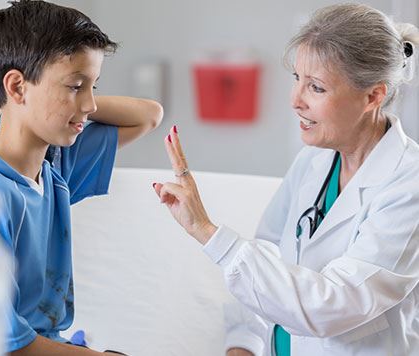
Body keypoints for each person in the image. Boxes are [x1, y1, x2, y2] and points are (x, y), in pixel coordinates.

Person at [153, 3, 419, 355]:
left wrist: (205, 230)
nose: (295, 101)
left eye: (317, 88)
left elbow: (335, 305)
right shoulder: (314, 159)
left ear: (373, 95)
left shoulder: (408, 184)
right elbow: (268, 253)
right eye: (297, 79)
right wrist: (243, 343)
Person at [0, 1, 163, 355]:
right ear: (17, 87)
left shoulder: (55, 165)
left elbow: (148, 115)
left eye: (94, 88)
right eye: (75, 86)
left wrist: (74, 97)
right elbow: (2, 345)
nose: (89, 105)